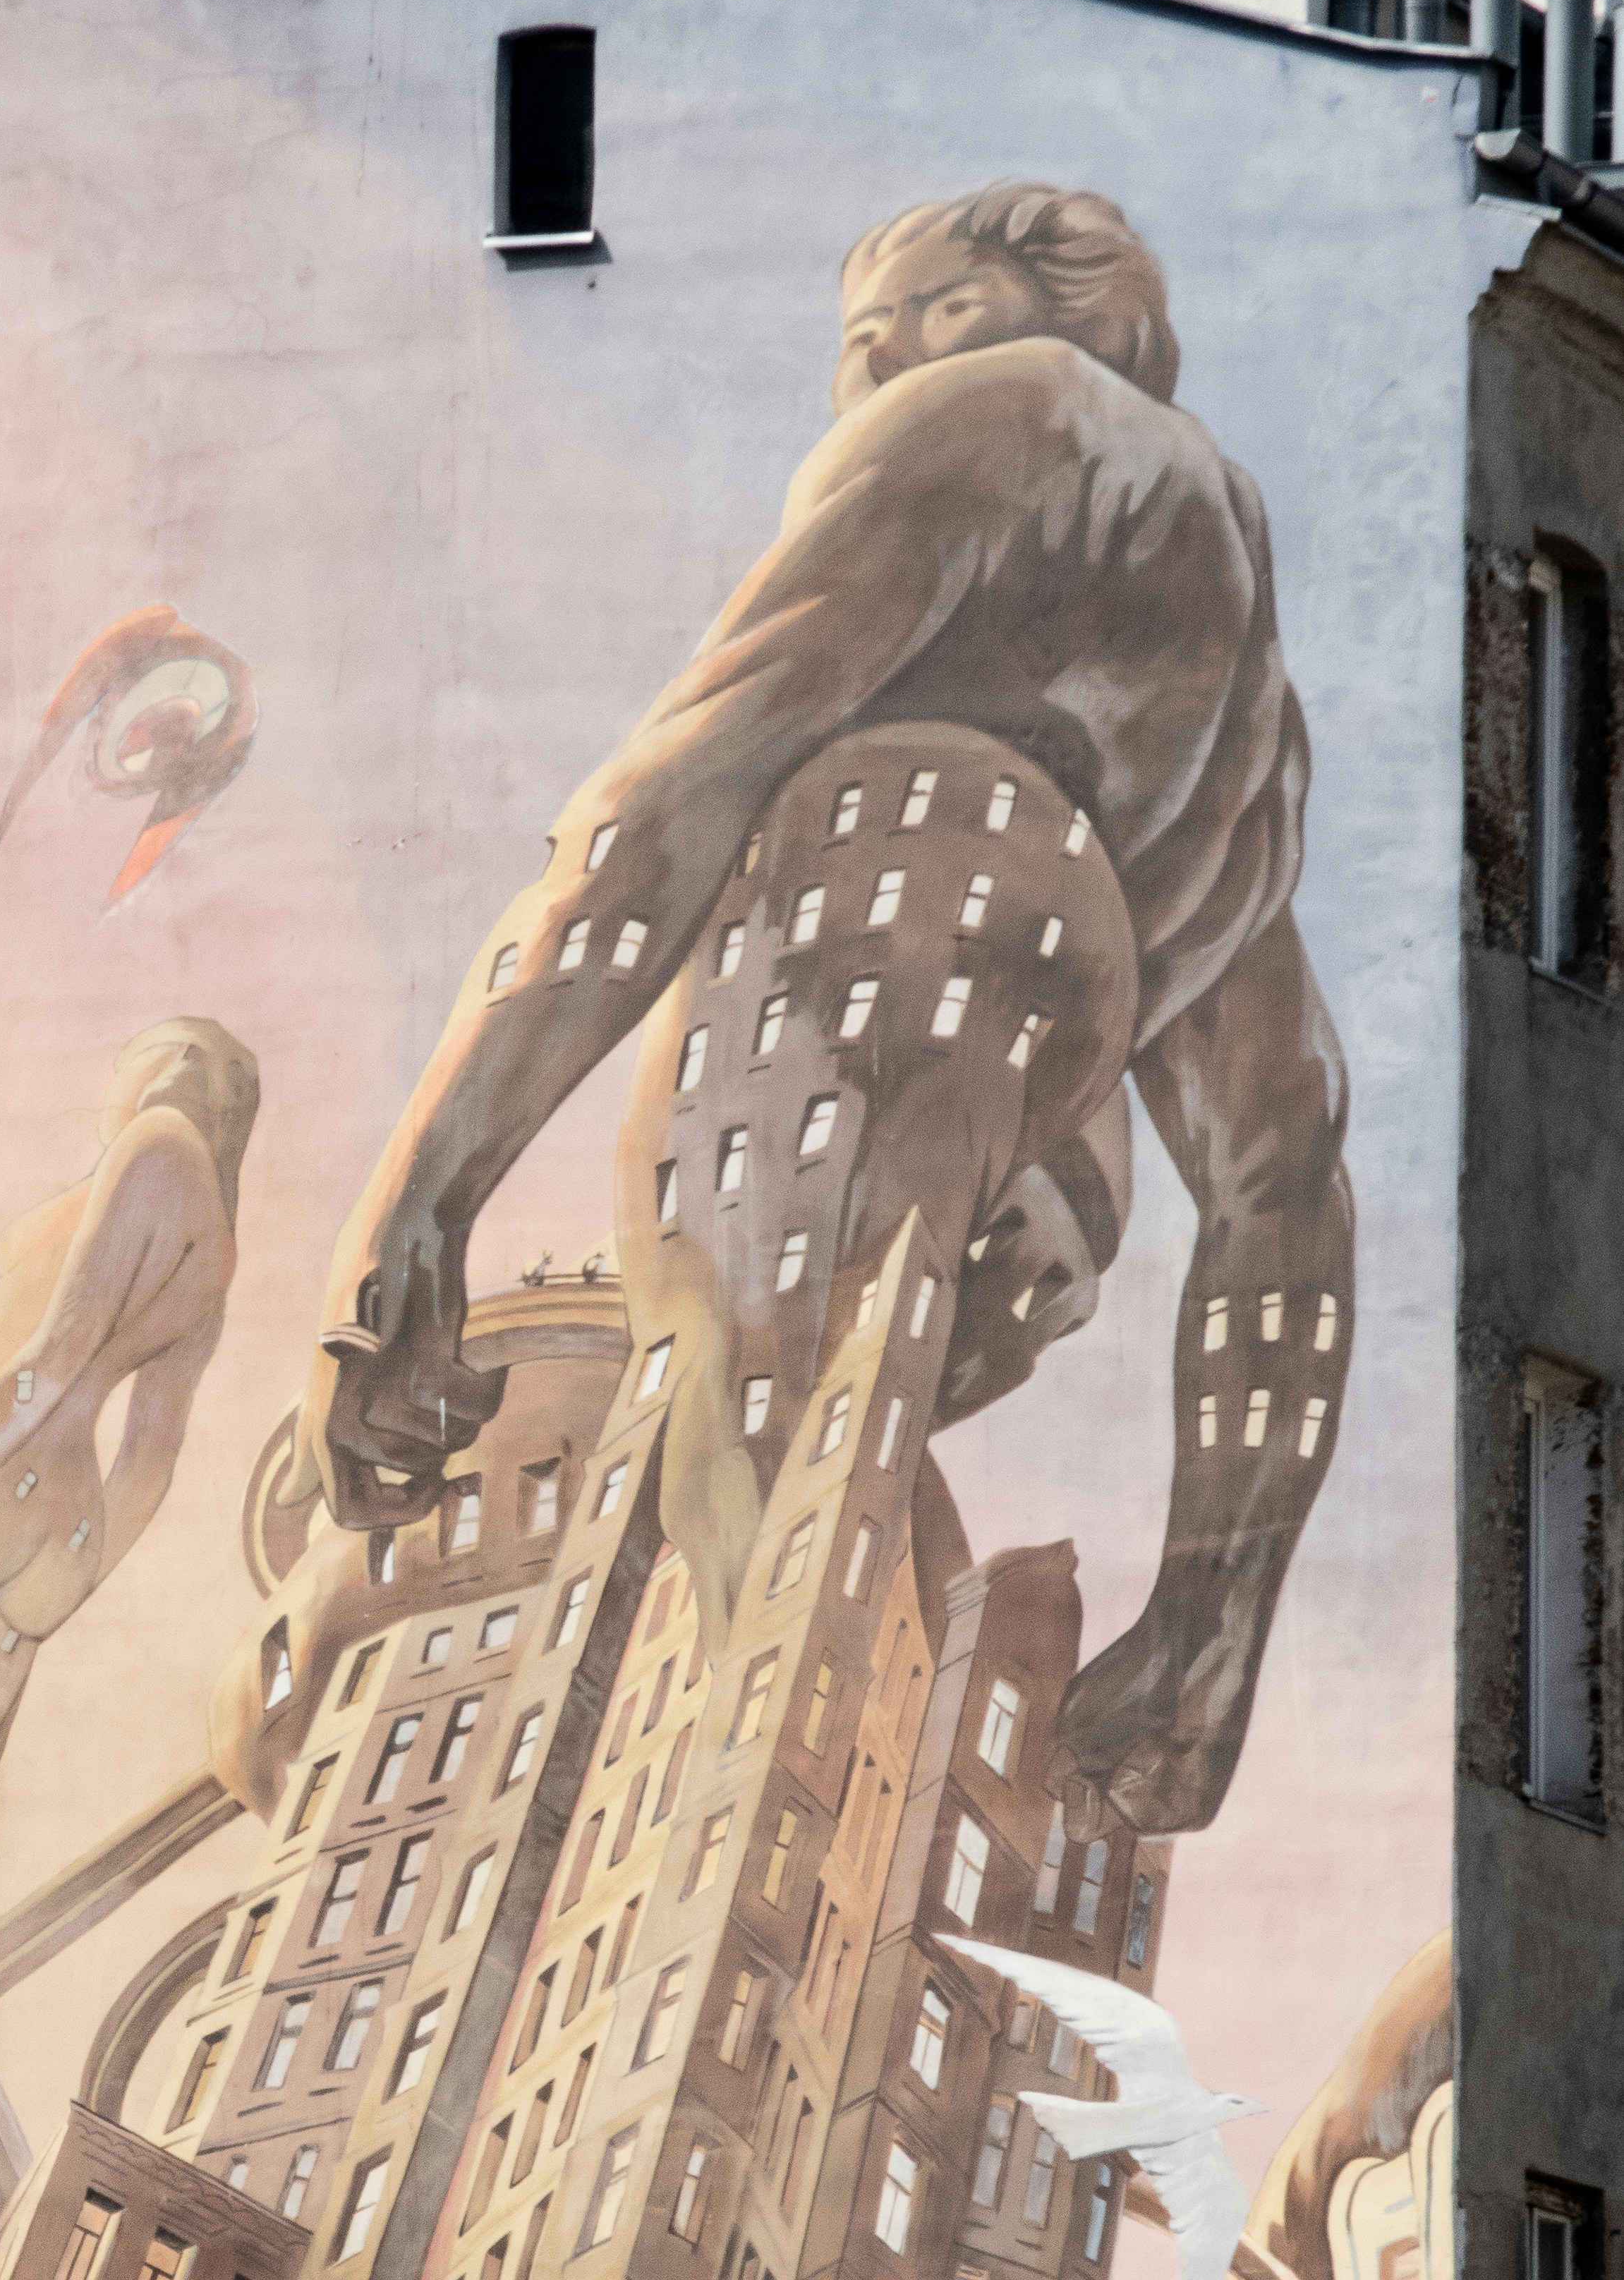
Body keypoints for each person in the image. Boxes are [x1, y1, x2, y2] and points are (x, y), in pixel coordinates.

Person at [296, 184, 1353, 1836]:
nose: (854, 386)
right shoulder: (1247, 723)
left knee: (723, 1593)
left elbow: (666, 799)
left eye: (876, 336)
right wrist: (1213, 1613)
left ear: (985, 309)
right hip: (1037, 1201)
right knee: (800, 1559)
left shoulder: (1007, 414)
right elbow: (1277, 1179)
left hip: (856, 971)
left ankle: (676, 1887)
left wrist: (412, 1209)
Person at [0, 1014, 260, 1911]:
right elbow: (147, 1463)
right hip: (42, 1512)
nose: (111, 1080)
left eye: (123, 1056)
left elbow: (54, 1355)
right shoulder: (214, 1231)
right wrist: (77, 1571)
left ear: (163, 1067)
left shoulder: (157, 1146)